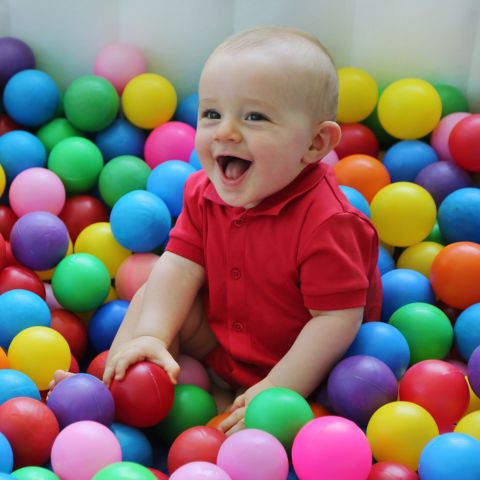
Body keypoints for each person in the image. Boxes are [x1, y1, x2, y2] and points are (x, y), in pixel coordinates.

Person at [51, 26, 381, 435]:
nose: (225, 131)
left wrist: (278, 388)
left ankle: (239, 404)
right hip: (219, 341)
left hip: (300, 371)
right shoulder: (204, 192)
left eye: (254, 117)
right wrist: (154, 334)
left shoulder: (328, 222)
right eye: (211, 114)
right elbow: (180, 266)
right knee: (156, 292)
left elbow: (335, 322)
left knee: (300, 414)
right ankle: (112, 388)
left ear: (315, 143)